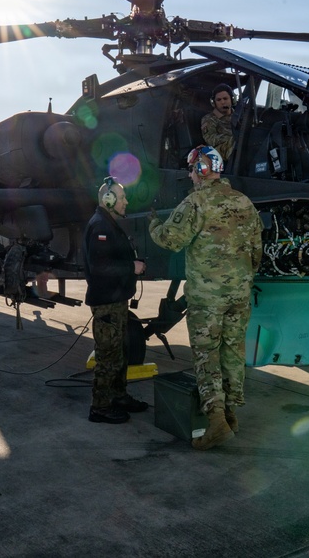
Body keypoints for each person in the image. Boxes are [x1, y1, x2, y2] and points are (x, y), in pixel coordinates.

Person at [149, 146, 263, 450]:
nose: (189, 175)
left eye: (191, 169)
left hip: (207, 298)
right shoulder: (244, 202)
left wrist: (152, 225)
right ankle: (231, 415)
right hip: (239, 295)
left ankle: (214, 421)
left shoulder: (196, 202)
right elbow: (257, 251)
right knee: (233, 351)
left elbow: (170, 239)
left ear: (201, 168)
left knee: (206, 354)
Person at [83, 177, 149, 424]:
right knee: (108, 356)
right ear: (108, 199)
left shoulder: (108, 223)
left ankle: (118, 396)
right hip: (107, 302)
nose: (126, 202)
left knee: (120, 353)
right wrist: (131, 266)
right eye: (122, 198)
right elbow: (100, 266)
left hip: (117, 300)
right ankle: (99, 407)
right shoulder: (100, 225)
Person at [200, 84, 236, 163]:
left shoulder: (240, 115)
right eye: (219, 100)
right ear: (214, 103)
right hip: (218, 150)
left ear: (232, 99)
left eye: (225, 98)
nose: (222, 102)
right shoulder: (209, 119)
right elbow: (210, 138)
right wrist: (232, 138)